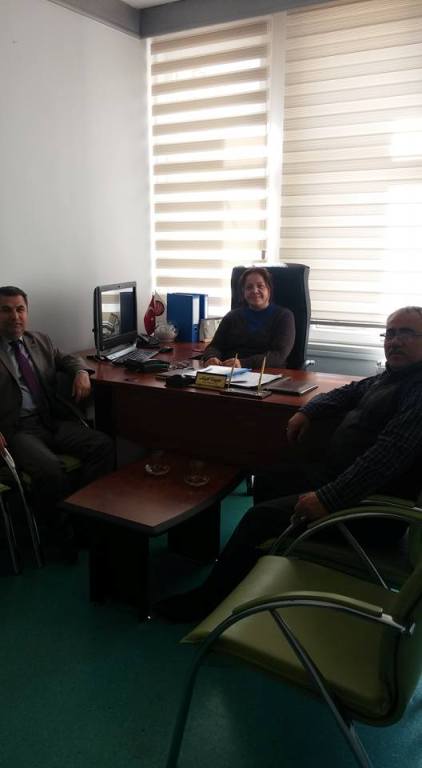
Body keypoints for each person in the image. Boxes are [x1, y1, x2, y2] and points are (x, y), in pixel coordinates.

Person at [157, 306, 422, 621]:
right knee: (268, 478)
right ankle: (257, 567)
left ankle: (208, 602)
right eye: (390, 333)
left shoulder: (418, 390)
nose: (395, 341)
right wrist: (308, 411)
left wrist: (328, 499)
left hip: (368, 510)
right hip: (340, 481)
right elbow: (349, 392)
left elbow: (386, 457)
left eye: (406, 334)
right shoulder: (394, 376)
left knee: (258, 518)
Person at [0, 285, 115, 561]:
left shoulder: (40, 340)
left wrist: (81, 373)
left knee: (102, 445)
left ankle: (86, 519)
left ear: (27, 312)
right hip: (17, 430)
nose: (15, 316)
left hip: (50, 420)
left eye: (20, 309)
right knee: (50, 470)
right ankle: (61, 535)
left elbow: (69, 359)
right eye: (5, 310)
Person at [203, 267, 295, 368]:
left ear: (269, 289)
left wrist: (243, 363)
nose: (255, 291)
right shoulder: (232, 316)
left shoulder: (283, 316)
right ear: (243, 292)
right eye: (249, 287)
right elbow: (214, 346)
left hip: (267, 372)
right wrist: (211, 357)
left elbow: (278, 355)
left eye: (260, 286)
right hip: (229, 372)